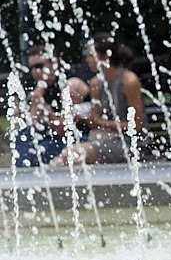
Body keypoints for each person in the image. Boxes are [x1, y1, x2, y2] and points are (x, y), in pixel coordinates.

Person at [50, 33, 147, 166]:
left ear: (105, 56)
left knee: (73, 155)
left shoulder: (129, 81)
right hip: (104, 140)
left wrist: (100, 123)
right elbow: (95, 120)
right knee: (60, 161)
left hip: (131, 143)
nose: (87, 60)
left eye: (91, 55)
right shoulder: (96, 83)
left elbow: (136, 126)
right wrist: (80, 117)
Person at [12, 45, 90, 167]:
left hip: (78, 137)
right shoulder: (41, 87)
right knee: (23, 136)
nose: (35, 72)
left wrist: (45, 109)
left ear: (54, 63)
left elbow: (64, 129)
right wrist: (37, 98)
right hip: (54, 137)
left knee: (39, 151)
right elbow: (31, 124)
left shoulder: (71, 84)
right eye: (32, 68)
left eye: (39, 66)